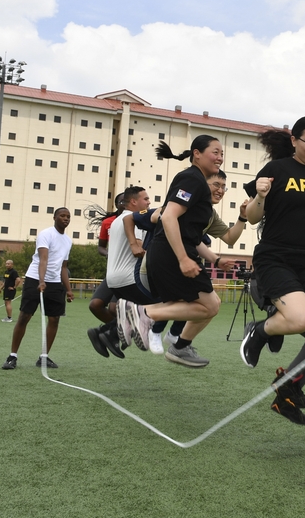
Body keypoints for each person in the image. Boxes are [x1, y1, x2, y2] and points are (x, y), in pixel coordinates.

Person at [239, 118, 305, 426]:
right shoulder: (277, 170)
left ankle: (288, 387)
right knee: (301, 319)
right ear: (295, 141)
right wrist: (260, 195)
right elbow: (252, 216)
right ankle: (258, 331)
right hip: (276, 257)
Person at [121, 136, 225, 368]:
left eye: (222, 154)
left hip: (170, 253)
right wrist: (183, 259)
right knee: (210, 306)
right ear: (196, 153)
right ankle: (142, 313)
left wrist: (215, 259)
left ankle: (177, 343)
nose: (219, 158)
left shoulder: (196, 181)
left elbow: (190, 232)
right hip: (170, 254)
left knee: (210, 304)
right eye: (215, 152)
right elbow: (168, 216)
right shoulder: (192, 178)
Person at [144, 170, 245, 354]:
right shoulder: (185, 199)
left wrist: (242, 217)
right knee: (204, 303)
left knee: (199, 302)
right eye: (216, 184)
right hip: (165, 258)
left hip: (183, 258)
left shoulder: (208, 213)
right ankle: (151, 326)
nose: (221, 190)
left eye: (224, 187)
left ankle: (176, 337)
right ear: (201, 185)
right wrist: (183, 258)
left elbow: (229, 238)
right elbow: (158, 216)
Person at [2, 208, 75, 370]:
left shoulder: (68, 241)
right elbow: (43, 259)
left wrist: (68, 289)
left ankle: (44, 356)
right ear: (54, 217)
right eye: (62, 216)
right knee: (24, 316)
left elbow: (63, 267)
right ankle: (12, 356)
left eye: (68, 217)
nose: (66, 218)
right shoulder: (46, 234)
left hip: (55, 283)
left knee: (54, 319)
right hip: (35, 279)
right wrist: (41, 281)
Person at [87, 186, 154, 360]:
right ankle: (111, 334)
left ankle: (106, 332)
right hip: (130, 277)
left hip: (113, 278)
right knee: (163, 306)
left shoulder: (116, 221)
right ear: (133, 202)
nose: (149, 202)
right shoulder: (135, 219)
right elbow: (138, 249)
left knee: (116, 308)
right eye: (145, 199)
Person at [87, 193, 127, 336]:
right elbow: (101, 247)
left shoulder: (138, 220)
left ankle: (119, 333)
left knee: (113, 307)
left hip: (128, 271)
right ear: (117, 205)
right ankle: (119, 331)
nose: (125, 203)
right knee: (95, 305)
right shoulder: (108, 223)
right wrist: (109, 253)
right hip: (113, 271)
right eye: (122, 201)